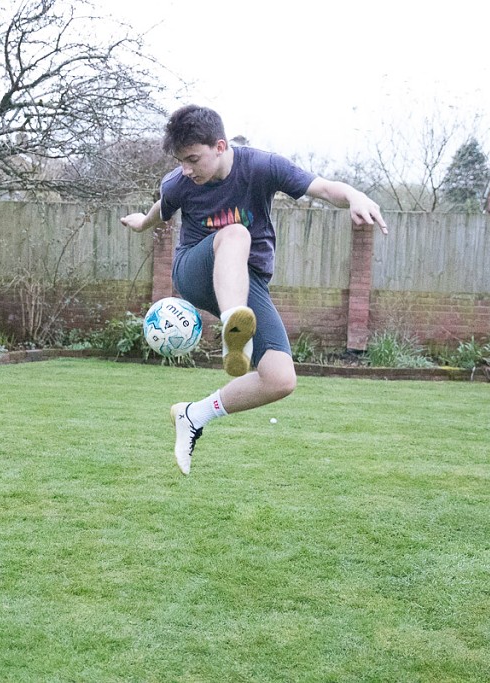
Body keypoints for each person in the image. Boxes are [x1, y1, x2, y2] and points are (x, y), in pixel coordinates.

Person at [120, 105, 387, 475]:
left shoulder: (262, 167)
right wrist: (141, 224)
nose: (187, 170)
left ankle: (192, 415)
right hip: (195, 271)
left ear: (220, 145)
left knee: (280, 379)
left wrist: (355, 195)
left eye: (193, 160)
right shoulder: (180, 183)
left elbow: (324, 188)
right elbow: (160, 209)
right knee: (235, 233)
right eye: (180, 162)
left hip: (247, 281)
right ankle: (235, 326)